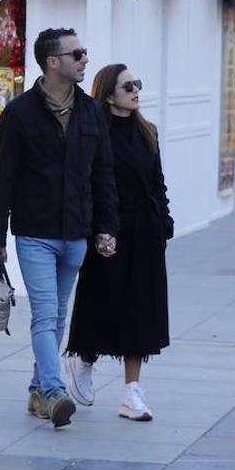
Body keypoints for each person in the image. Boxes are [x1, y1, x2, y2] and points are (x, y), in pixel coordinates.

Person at [0, 28, 119, 429]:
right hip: (35, 232)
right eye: (76, 53)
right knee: (45, 313)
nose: (84, 60)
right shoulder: (19, 113)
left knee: (59, 316)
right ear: (52, 62)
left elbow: (104, 175)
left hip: (76, 231)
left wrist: (107, 226)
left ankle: (36, 389)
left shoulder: (93, 111)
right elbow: (3, 178)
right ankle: (55, 392)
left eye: (85, 51)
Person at [64, 65, 172, 422]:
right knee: (102, 305)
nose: (136, 91)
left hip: (145, 232)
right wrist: (98, 230)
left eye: (138, 84)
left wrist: (164, 223)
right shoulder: (95, 134)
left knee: (141, 312)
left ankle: (132, 393)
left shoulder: (147, 132)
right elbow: (87, 185)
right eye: (128, 86)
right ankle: (84, 360)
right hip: (108, 232)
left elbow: (157, 183)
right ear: (109, 94)